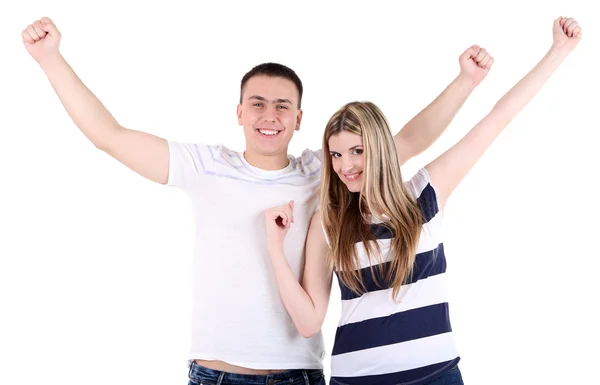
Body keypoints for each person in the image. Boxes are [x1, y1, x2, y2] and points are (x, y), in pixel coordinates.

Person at [22, 16, 492, 385]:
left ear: (300, 117)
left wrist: (466, 82)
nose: (270, 115)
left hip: (299, 375)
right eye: (258, 103)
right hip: (215, 375)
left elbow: (408, 139)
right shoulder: (204, 166)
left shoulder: (324, 170)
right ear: (239, 112)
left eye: (282, 105)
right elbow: (111, 137)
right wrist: (50, 59)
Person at [264, 16, 581, 385]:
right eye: (335, 155)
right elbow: (308, 322)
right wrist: (275, 249)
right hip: (357, 380)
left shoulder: (425, 193)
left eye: (356, 151)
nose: (345, 165)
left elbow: (499, 116)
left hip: (437, 376)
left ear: (380, 149)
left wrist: (558, 51)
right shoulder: (328, 221)